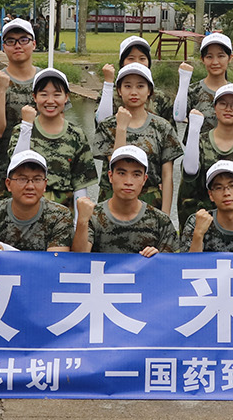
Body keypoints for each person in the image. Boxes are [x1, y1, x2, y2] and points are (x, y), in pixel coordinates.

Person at [93, 64, 181, 215]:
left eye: (140, 86)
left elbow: (167, 176)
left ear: (149, 91)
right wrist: (121, 128)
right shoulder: (107, 126)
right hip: (113, 201)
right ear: (119, 90)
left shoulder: (162, 127)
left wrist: (165, 216)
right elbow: (117, 165)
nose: (134, 92)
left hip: (151, 201)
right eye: (127, 86)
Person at [10, 67, 98, 211]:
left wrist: (78, 219)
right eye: (44, 94)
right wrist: (26, 126)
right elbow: (16, 165)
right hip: (27, 207)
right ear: (34, 97)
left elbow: (81, 184)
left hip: (64, 211)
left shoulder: (76, 135)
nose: (50, 101)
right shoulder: (21, 130)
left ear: (66, 97)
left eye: (57, 95)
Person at [176, 83, 233, 226]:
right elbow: (189, 176)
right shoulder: (198, 143)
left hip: (232, 221)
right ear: (214, 108)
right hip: (196, 216)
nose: (228, 109)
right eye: (223, 104)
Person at [73, 146, 176, 255]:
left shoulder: (160, 221)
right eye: (122, 173)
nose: (128, 182)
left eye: (136, 175)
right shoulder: (93, 216)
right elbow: (78, 259)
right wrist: (82, 221)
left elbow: (172, 262)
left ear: (144, 179)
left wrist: (158, 257)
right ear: (110, 176)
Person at [0, 151, 74, 252]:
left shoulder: (60, 215)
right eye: (22, 179)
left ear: (45, 184)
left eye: (37, 179)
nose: (30, 186)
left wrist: (8, 252)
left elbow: (55, 259)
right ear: (8, 184)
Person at [0, 18, 39, 147]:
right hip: (4, 156)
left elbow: (58, 124)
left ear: (34, 44)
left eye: (24, 40)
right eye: (11, 41)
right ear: (4, 47)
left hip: (41, 155)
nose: (17, 46)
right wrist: (1, 89)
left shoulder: (46, 79)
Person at [175, 32, 233, 132]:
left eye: (221, 56)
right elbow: (178, 117)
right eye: (209, 57)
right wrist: (184, 80)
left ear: (230, 58)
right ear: (202, 59)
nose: (215, 62)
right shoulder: (192, 91)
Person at [96, 34, 174, 122]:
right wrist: (108, 83)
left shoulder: (161, 98)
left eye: (142, 58)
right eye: (131, 58)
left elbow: (170, 128)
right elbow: (101, 123)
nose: (137, 63)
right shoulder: (110, 95)